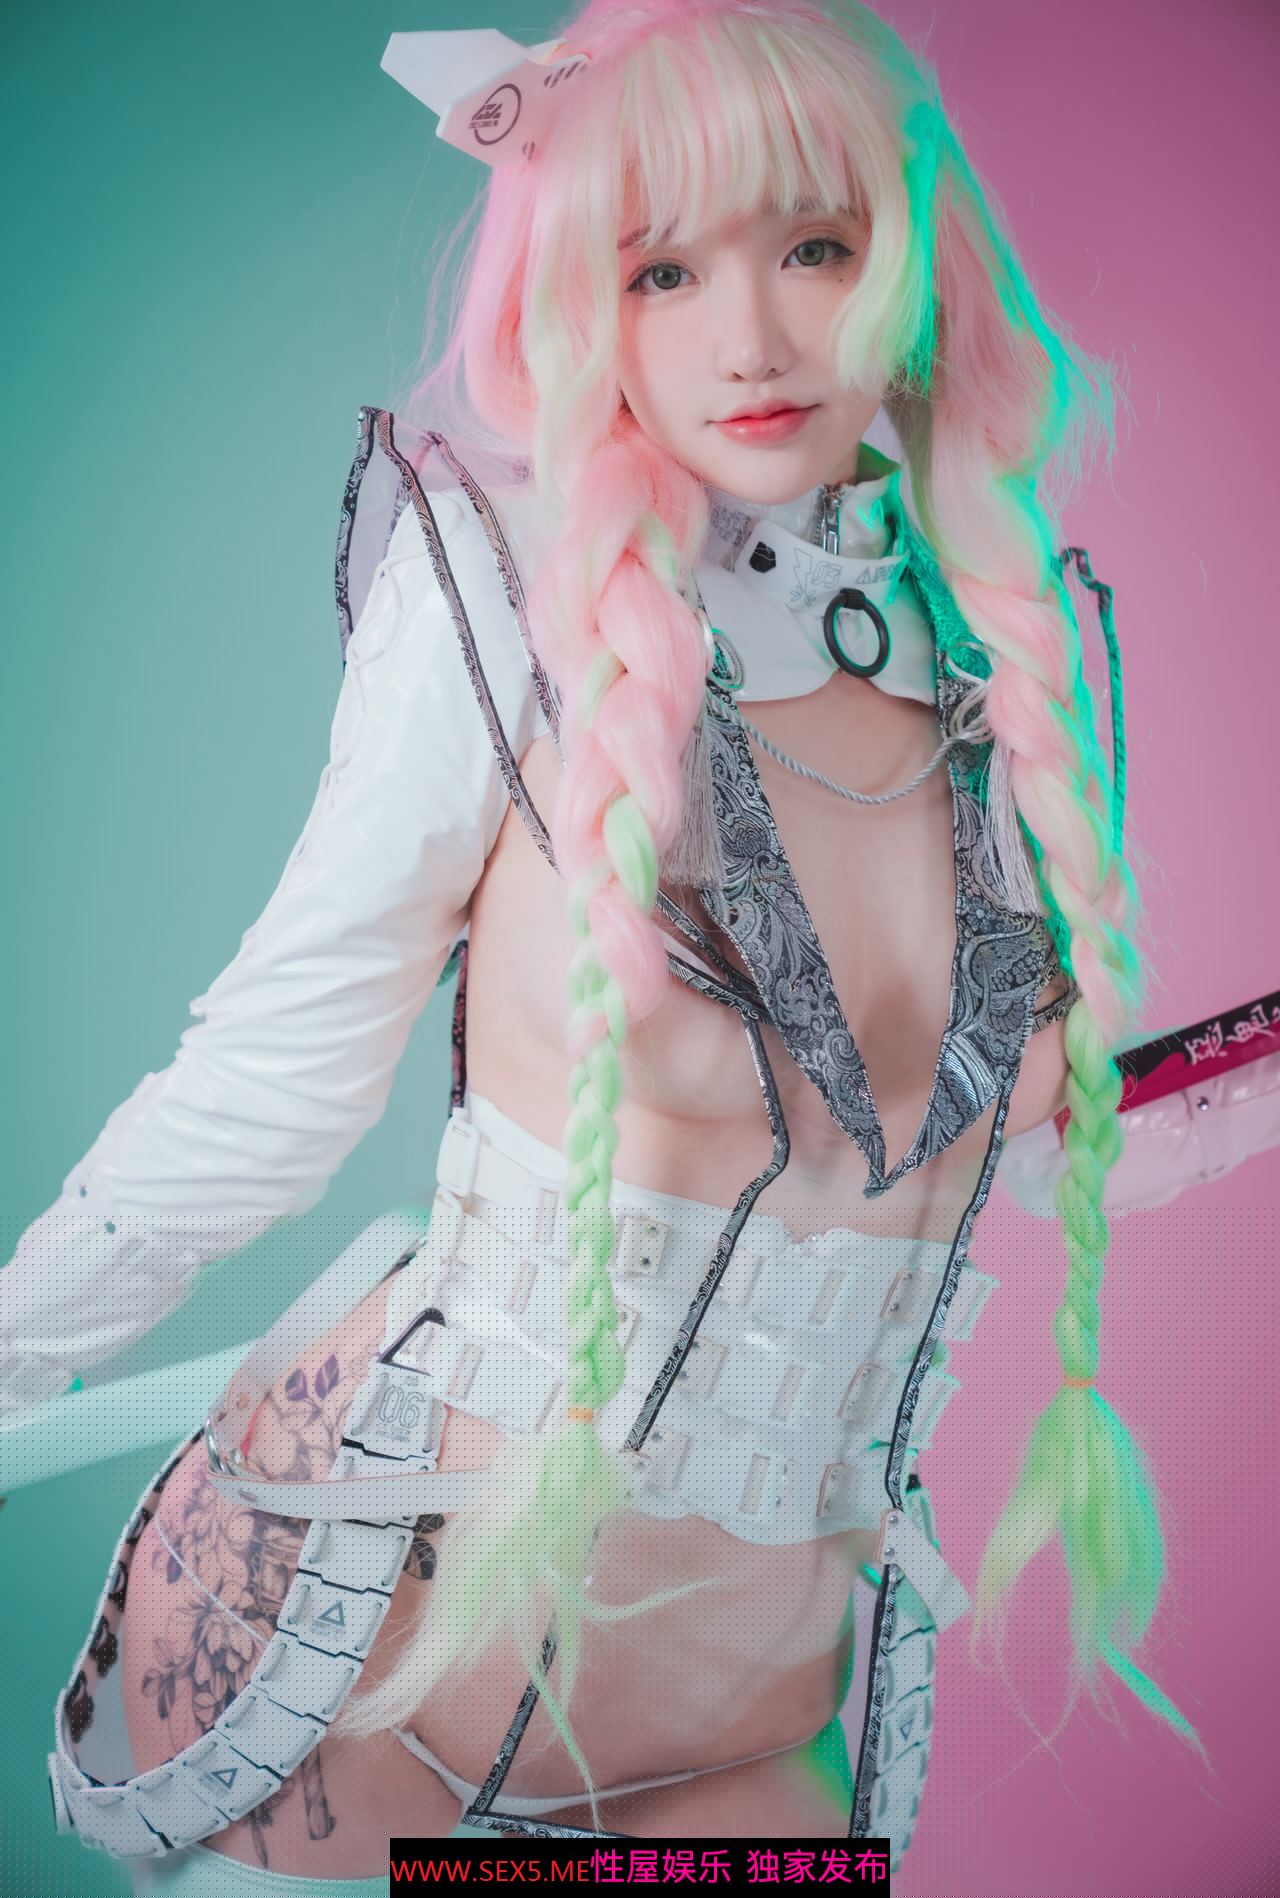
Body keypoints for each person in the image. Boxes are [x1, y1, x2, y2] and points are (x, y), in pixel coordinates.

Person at [1, 2, 1230, 1890]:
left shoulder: (1030, 648)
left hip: (748, 1733)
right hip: (368, 1687)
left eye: (814, 246)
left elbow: (1024, 1145)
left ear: (915, 261)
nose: (750, 339)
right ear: (584, 296)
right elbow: (267, 1086)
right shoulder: (505, 595)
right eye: (663, 269)